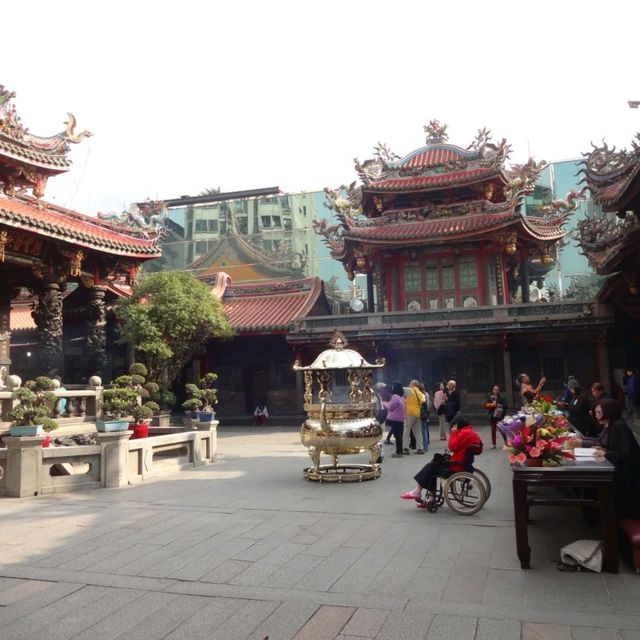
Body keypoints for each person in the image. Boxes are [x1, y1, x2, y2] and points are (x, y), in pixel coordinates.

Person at [572, 398, 640, 519]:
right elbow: (600, 442)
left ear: (609, 411)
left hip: (626, 475)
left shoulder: (619, 426)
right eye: (596, 412)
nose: (596, 415)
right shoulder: (609, 425)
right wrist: (582, 443)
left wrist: (606, 453)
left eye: (599, 412)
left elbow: (625, 453)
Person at [400, 414, 483, 508]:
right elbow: (479, 449)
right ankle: (430, 498)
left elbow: (452, 447)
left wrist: (454, 433)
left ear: (457, 424)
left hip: (457, 467)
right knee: (434, 464)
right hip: (463, 464)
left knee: (431, 467)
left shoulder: (464, 433)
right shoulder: (471, 432)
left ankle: (418, 491)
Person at [384, 381, 406, 458]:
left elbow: (390, 407)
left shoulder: (395, 397)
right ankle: (400, 451)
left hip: (395, 419)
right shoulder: (402, 397)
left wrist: (385, 403)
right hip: (401, 419)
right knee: (399, 435)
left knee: (397, 436)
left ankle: (398, 452)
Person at [403, 380, 426, 455]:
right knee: (418, 431)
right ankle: (420, 448)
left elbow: (400, 390)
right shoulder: (419, 392)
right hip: (418, 413)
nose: (409, 384)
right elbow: (423, 400)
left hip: (409, 412)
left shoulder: (409, 390)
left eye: (410, 383)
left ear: (413, 384)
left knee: (406, 430)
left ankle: (406, 448)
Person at [485, 384, 507, 448]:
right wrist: (491, 405)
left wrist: (499, 405)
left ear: (499, 390)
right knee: (493, 429)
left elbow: (505, 405)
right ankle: (493, 444)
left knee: (501, 429)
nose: (496, 390)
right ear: (492, 390)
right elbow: (485, 405)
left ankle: (506, 441)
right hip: (492, 415)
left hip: (499, 415)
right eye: (494, 389)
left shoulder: (502, 397)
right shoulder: (490, 397)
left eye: (497, 389)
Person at [418, 381, 430, 453]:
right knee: (424, 430)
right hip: (425, 414)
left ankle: (423, 446)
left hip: (421, 414)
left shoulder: (420, 395)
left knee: (422, 430)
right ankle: (425, 446)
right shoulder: (425, 394)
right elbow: (426, 405)